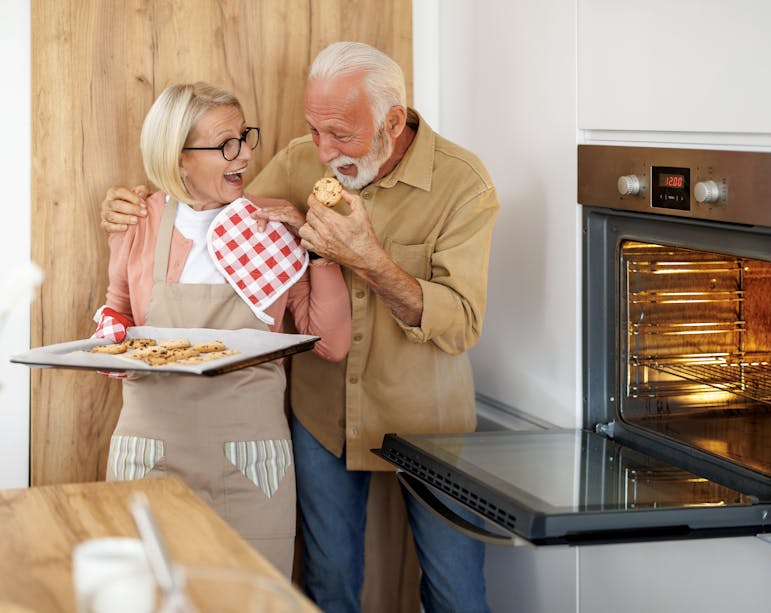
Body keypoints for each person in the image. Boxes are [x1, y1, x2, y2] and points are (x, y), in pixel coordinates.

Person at [100, 43, 499, 613]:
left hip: (427, 417)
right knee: (328, 584)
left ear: (391, 122)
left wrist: (364, 258)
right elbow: (216, 208)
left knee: (456, 591)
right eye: (314, 130)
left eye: (339, 134)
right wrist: (128, 211)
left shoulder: (464, 185)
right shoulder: (295, 161)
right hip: (321, 416)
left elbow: (460, 324)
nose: (322, 150)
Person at [92, 81, 351, 579]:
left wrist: (318, 248)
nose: (245, 154)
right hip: (151, 450)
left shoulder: (273, 226)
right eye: (226, 143)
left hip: (249, 459)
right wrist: (111, 341)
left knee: (251, 596)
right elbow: (117, 310)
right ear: (179, 158)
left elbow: (333, 342)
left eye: (245, 137)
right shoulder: (136, 220)